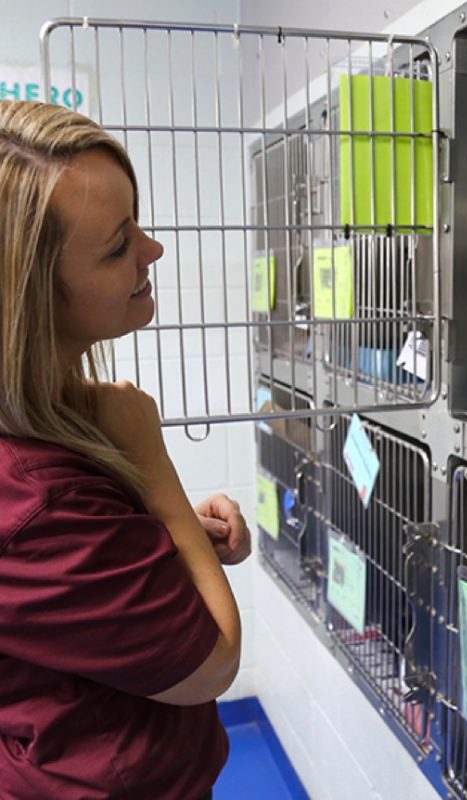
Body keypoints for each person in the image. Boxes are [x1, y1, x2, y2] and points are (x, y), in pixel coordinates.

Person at [0, 99, 251, 799]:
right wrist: (152, 463)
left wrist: (161, 537)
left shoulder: (40, 412)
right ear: (27, 297)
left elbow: (70, 580)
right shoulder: (32, 498)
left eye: (135, 220)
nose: (152, 249)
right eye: (116, 246)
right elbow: (214, 663)